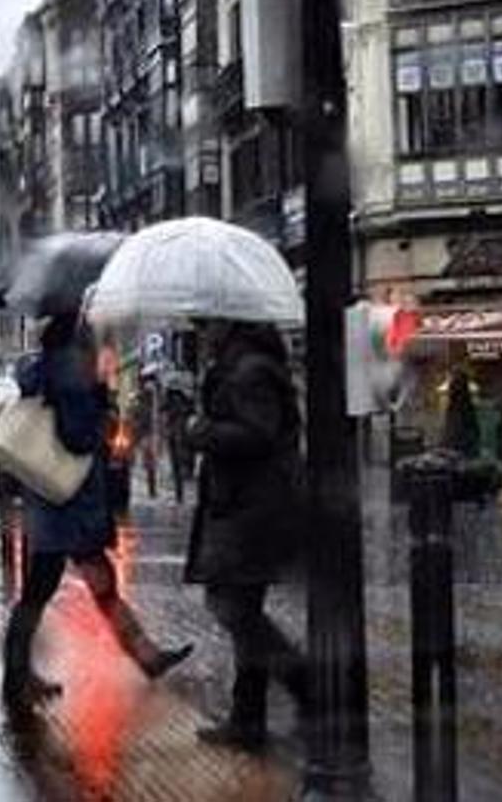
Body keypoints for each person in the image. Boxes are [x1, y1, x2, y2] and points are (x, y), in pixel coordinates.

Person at [2, 314, 191, 714]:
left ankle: (143, 655)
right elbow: (77, 435)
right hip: (68, 500)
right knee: (52, 588)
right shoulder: (70, 373)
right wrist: (99, 410)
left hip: (53, 498)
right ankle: (17, 677)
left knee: (63, 586)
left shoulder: (43, 369)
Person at [187, 320, 309, 752]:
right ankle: (248, 719)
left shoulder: (249, 370)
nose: (201, 329)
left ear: (227, 324)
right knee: (240, 610)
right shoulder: (244, 366)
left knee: (232, 606)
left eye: (208, 322)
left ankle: (301, 682)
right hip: (248, 504)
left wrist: (202, 432)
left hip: (251, 508)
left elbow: (258, 433)